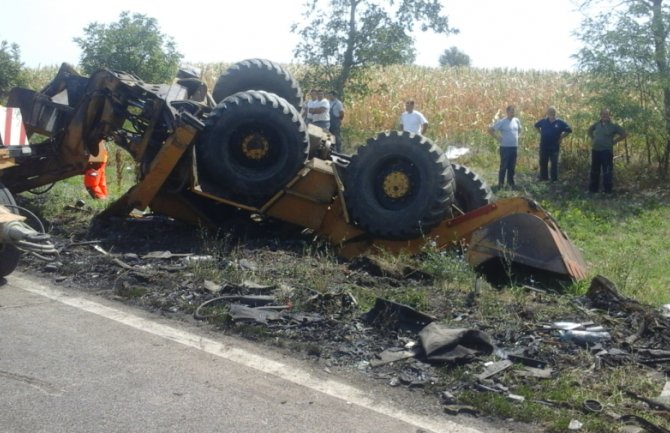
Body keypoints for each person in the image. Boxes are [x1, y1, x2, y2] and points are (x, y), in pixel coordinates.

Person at [587, 108, 627, 194]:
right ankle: (593, 190)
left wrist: (615, 141)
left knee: (607, 171)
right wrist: (593, 138)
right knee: (594, 170)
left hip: (606, 151)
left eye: (606, 114)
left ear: (609, 116)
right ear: (600, 115)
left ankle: (608, 191)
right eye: (603, 114)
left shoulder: (613, 126)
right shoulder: (597, 124)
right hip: (595, 150)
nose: (604, 116)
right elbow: (589, 130)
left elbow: (624, 134)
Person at [534, 106, 572, 182]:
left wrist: (561, 137)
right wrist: (540, 132)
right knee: (543, 162)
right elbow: (536, 126)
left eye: (553, 112)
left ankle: (554, 179)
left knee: (554, 163)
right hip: (544, 146)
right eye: (550, 112)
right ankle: (544, 178)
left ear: (555, 113)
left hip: (554, 146)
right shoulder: (543, 121)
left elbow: (569, 130)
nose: (551, 113)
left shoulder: (560, 122)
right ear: (547, 113)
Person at [488, 105, 521, 188]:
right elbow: (490, 130)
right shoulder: (502, 121)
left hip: (514, 147)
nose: (513, 113)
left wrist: (517, 137)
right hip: (505, 148)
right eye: (511, 111)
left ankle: (510, 183)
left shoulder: (516, 121)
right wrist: (498, 138)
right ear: (507, 112)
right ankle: (501, 184)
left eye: (514, 111)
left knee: (512, 166)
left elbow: (519, 130)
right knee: (504, 166)